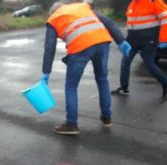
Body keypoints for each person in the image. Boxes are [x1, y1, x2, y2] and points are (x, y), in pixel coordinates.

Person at [40, 1, 131, 135]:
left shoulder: (53, 18)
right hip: (102, 41)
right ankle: (106, 117)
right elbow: (108, 22)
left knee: (71, 86)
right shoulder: (82, 7)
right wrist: (121, 40)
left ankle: (71, 124)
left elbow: (49, 47)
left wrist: (46, 72)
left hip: (80, 46)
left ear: (53, 12)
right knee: (102, 79)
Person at [111, 0, 167, 100]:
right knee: (125, 62)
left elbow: (165, 18)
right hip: (133, 41)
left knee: (149, 64)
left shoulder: (154, 2)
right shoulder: (133, 4)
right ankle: (124, 88)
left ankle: (165, 83)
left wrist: (164, 38)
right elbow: (132, 23)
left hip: (148, 41)